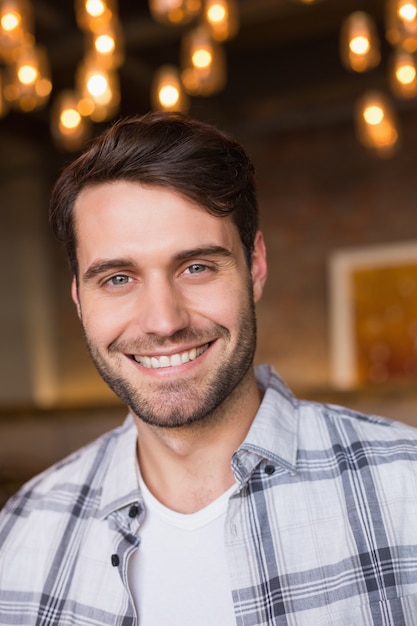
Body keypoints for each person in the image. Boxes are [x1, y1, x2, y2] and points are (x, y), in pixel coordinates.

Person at [1, 112, 417, 626]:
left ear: (255, 267)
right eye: (116, 278)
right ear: (80, 300)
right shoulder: (21, 532)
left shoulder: (405, 490)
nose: (163, 321)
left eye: (196, 267)